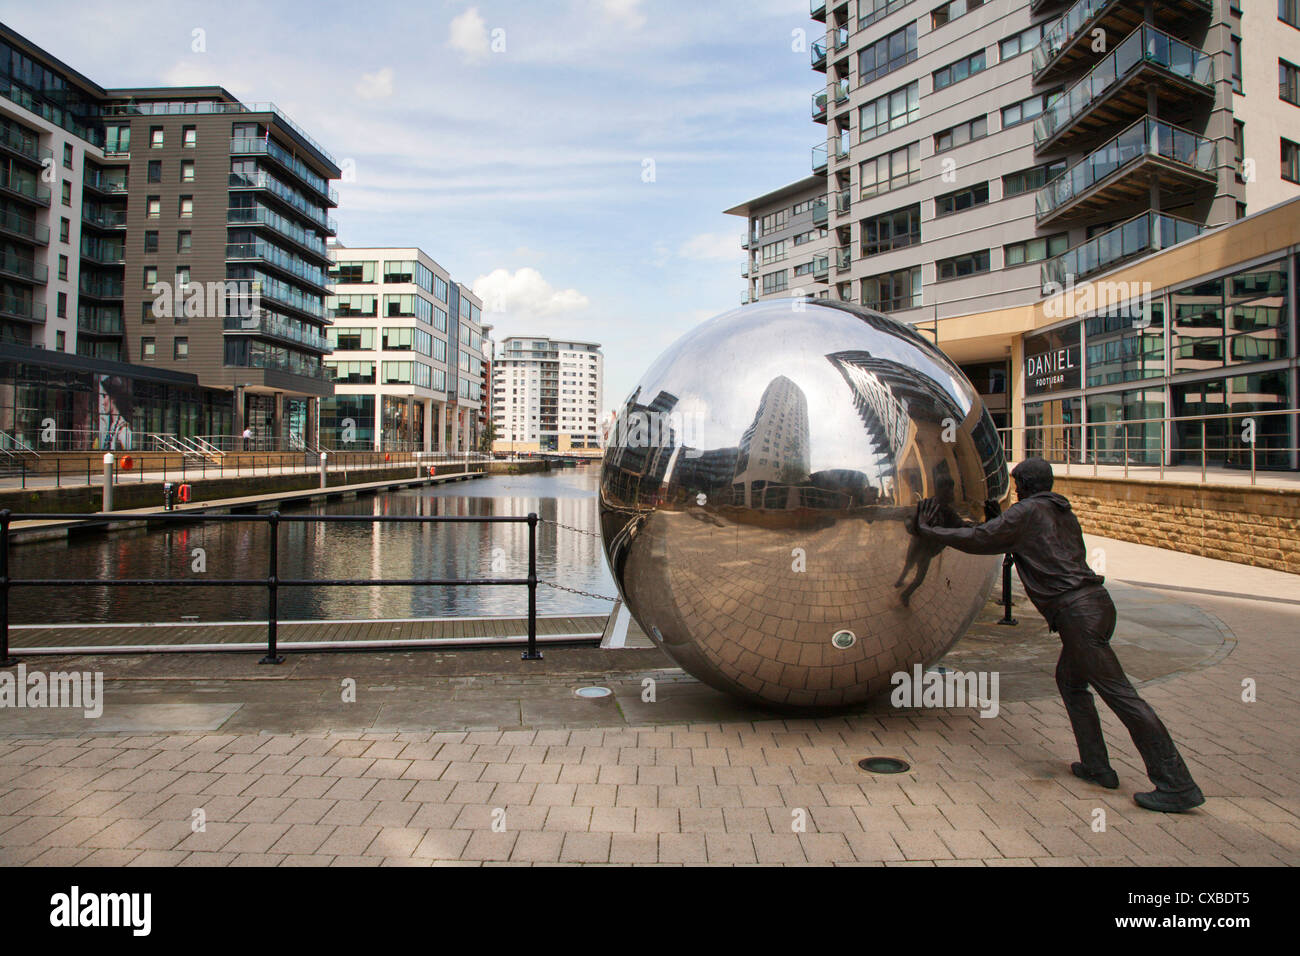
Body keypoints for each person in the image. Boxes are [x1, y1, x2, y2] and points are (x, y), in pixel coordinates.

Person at [913, 457, 1205, 813]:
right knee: (1070, 682)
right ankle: (1096, 766)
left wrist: (931, 532)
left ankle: (1176, 784)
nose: (1016, 491)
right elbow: (1008, 541)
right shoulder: (1060, 511)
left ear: (1026, 485)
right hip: (1095, 608)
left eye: (1018, 485)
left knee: (1122, 695)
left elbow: (980, 539)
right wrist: (991, 522)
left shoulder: (1027, 513)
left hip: (1077, 615)